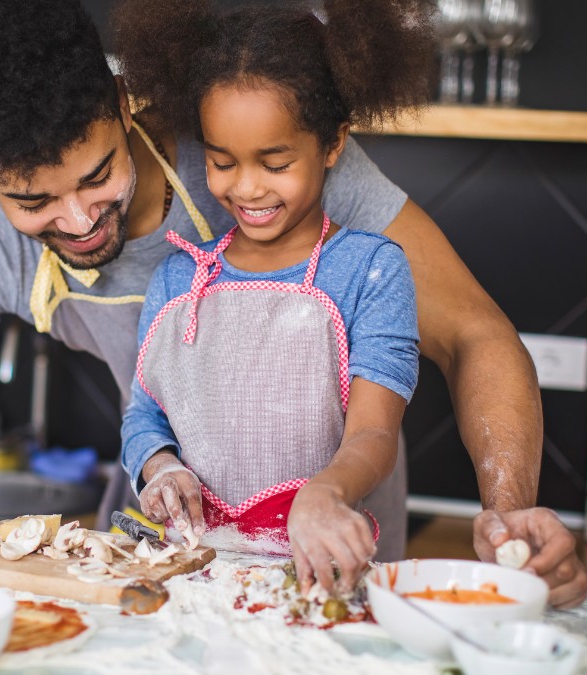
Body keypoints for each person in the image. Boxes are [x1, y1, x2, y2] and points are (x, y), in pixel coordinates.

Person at [0, 0, 587, 608]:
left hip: (335, 550)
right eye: (32, 200)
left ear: (122, 103)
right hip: (167, 550)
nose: (79, 220)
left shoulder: (260, 150)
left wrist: (507, 509)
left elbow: (477, 334)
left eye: (96, 177)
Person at [117, 0, 422, 593]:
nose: (248, 187)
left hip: (319, 570)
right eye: (221, 162)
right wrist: (160, 466)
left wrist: (326, 494)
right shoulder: (177, 282)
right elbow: (144, 415)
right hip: (192, 572)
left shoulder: (371, 271)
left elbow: (374, 434)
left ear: (332, 144)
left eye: (276, 162)